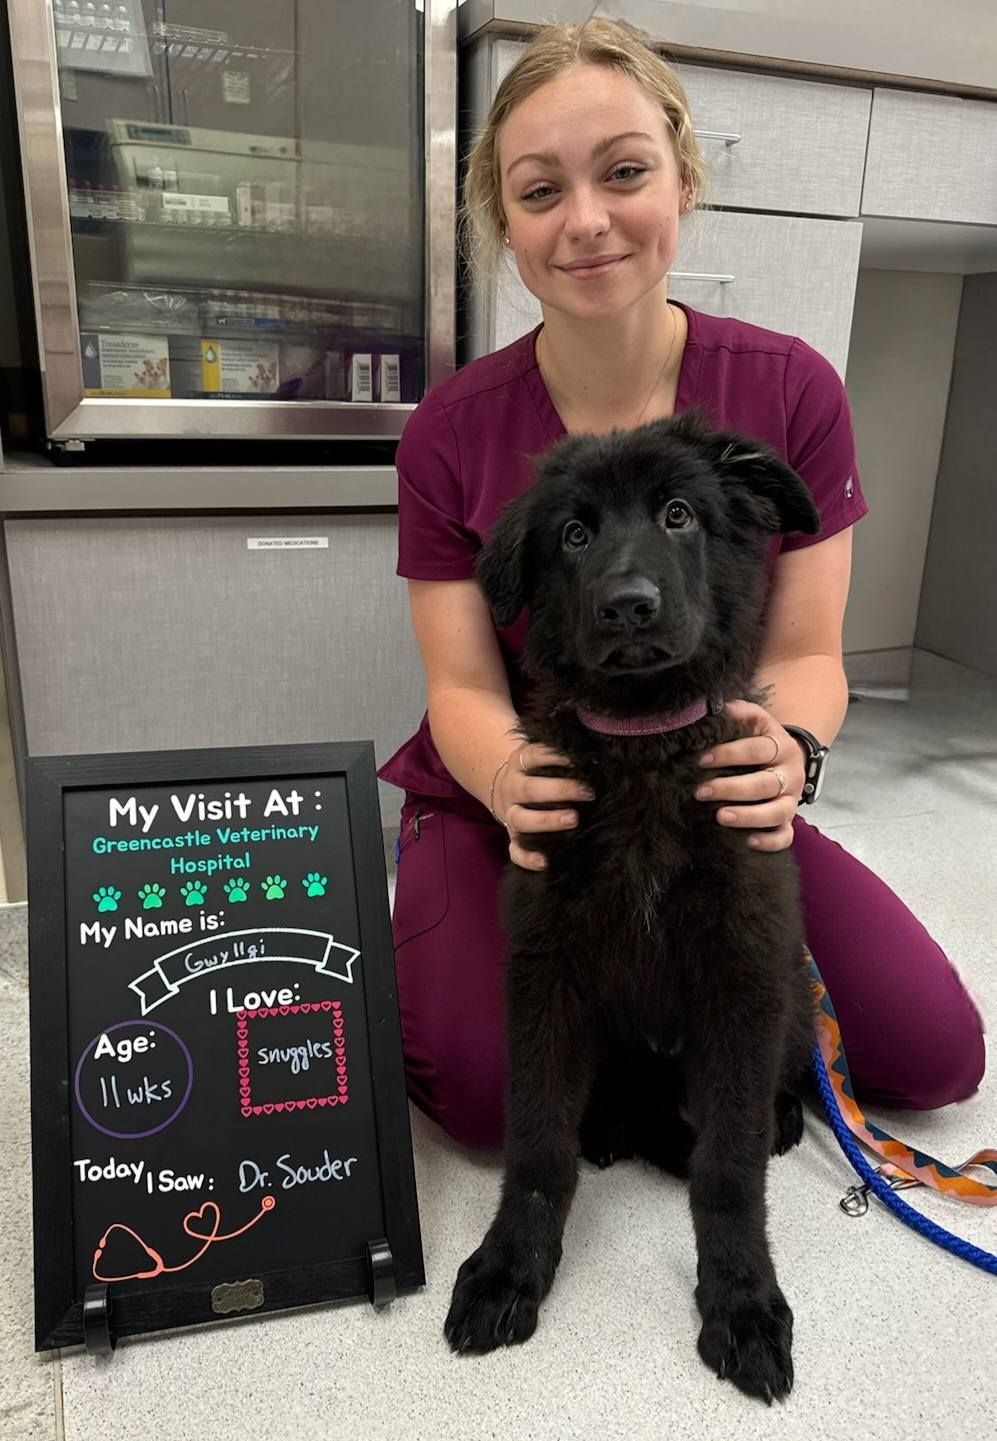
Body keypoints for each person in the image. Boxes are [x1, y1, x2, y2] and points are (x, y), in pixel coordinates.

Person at [377, 18, 986, 1150]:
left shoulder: (788, 389)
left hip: (693, 783)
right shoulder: (450, 432)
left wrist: (783, 753)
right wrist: (512, 782)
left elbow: (806, 655)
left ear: (683, 177)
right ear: (502, 224)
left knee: (930, 1054)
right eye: (539, 190)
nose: (587, 220)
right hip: (518, 795)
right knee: (479, 1089)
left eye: (623, 171)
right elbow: (460, 683)